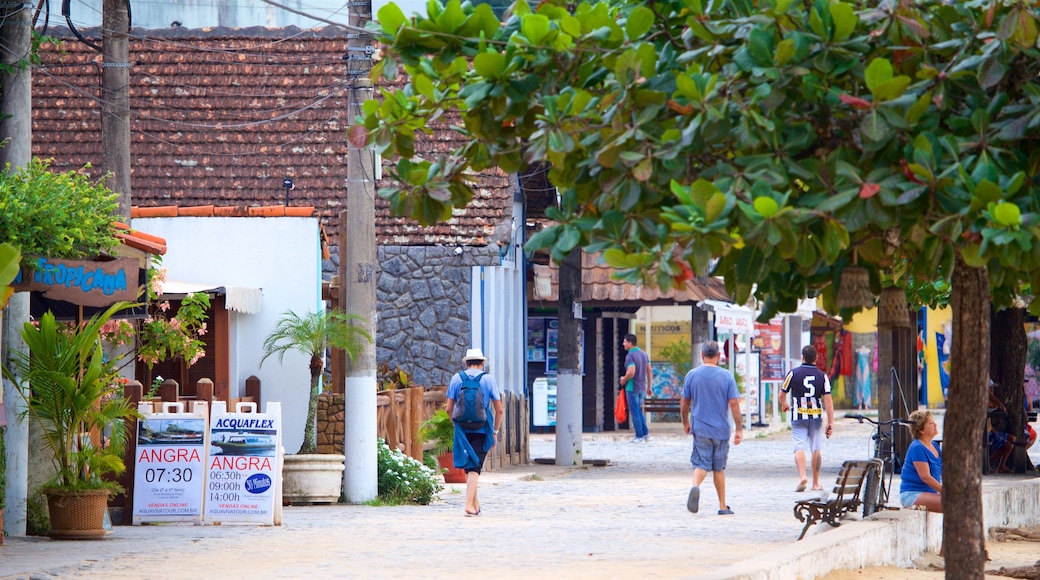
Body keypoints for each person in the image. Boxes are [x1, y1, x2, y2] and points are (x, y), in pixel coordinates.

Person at [680, 340, 742, 515]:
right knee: (718, 468)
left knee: (700, 463)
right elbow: (734, 404)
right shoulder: (727, 376)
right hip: (721, 430)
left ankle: (695, 486)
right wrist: (739, 429)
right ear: (719, 356)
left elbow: (685, 402)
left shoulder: (692, 375)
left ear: (702, 355)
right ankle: (722, 506)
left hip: (700, 427)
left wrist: (685, 422)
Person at [445, 348, 504, 516]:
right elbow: (499, 410)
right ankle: (468, 505)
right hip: (482, 429)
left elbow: (449, 408)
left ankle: (475, 503)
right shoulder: (488, 379)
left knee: (471, 466)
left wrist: (454, 425)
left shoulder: (457, 378)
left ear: (466, 363)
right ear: (483, 363)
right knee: (474, 468)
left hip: (462, 429)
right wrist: (495, 431)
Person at [780, 345, 834, 492]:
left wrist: (784, 404)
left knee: (799, 447)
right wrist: (830, 421)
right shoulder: (822, 376)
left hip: (798, 416)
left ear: (802, 357)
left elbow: (782, 394)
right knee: (816, 448)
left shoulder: (793, 373)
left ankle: (803, 476)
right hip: (816, 417)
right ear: (816, 358)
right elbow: (828, 400)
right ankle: (816, 483)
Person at [900, 409, 942, 513]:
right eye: (931, 423)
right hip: (912, 494)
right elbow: (925, 477)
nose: (935, 425)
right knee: (953, 503)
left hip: (929, 493)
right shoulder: (917, 447)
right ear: (921, 430)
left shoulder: (935, 446)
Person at [619, 333, 653, 443]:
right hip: (642, 387)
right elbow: (649, 370)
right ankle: (645, 434)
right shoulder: (644, 354)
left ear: (630, 342)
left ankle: (639, 436)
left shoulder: (630, 356)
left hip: (632, 387)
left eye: (625, 341)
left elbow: (631, 371)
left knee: (634, 411)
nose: (623, 344)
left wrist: (624, 379)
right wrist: (649, 386)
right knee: (639, 410)